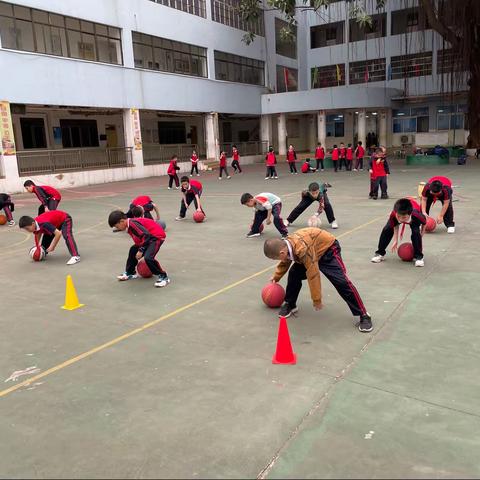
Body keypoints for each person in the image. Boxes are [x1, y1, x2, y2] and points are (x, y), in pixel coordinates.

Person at [264, 229, 372, 332]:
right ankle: (290, 303)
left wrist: (317, 300)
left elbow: (313, 274)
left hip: (327, 249)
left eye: (275, 258)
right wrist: (276, 276)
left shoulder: (301, 249)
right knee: (294, 274)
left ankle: (363, 314)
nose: (276, 260)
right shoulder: (287, 246)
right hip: (311, 251)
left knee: (341, 282)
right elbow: (286, 259)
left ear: (282, 252)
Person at [108, 210, 169, 288]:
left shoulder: (133, 224)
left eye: (117, 226)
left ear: (122, 221)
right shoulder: (129, 224)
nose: (117, 228)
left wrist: (141, 250)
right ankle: (130, 272)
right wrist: (139, 248)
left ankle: (164, 276)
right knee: (133, 250)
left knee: (148, 258)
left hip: (156, 237)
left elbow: (146, 235)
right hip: (149, 238)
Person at [371, 198, 426, 267]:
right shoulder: (394, 214)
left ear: (409, 214)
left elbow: (424, 223)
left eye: (404, 217)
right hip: (402, 212)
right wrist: (395, 240)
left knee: (416, 233)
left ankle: (419, 257)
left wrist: (422, 234)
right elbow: (395, 225)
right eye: (399, 216)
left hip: (414, 218)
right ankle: (380, 253)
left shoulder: (417, 215)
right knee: (387, 229)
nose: (400, 219)